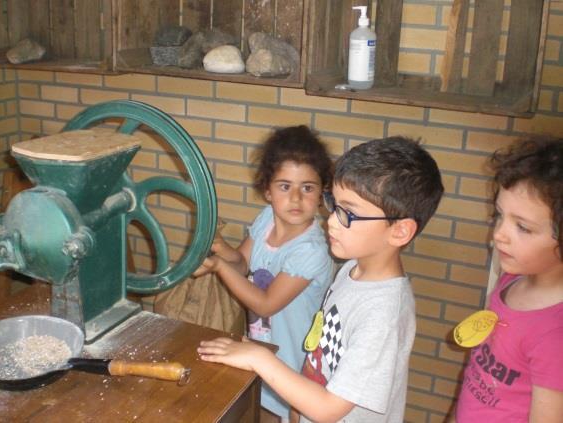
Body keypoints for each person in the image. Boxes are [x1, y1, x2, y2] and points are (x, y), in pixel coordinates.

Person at [198, 136, 444, 422]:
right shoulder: (352, 271)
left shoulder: (383, 315)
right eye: (333, 204)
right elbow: (322, 356)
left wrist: (258, 357)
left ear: (400, 231)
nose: (330, 221)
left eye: (348, 213)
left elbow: (329, 409)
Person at [193, 125, 334, 421]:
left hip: (295, 362)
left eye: (307, 188)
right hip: (262, 346)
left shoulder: (311, 251)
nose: (295, 198)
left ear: (322, 193)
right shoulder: (266, 219)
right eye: (285, 186)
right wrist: (220, 248)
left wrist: (219, 267)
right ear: (267, 191)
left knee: (288, 414)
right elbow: (242, 263)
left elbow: (265, 303)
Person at [452, 137, 563, 423]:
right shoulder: (511, 280)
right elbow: (477, 375)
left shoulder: (554, 334)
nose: (500, 233)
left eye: (522, 227)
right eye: (500, 216)